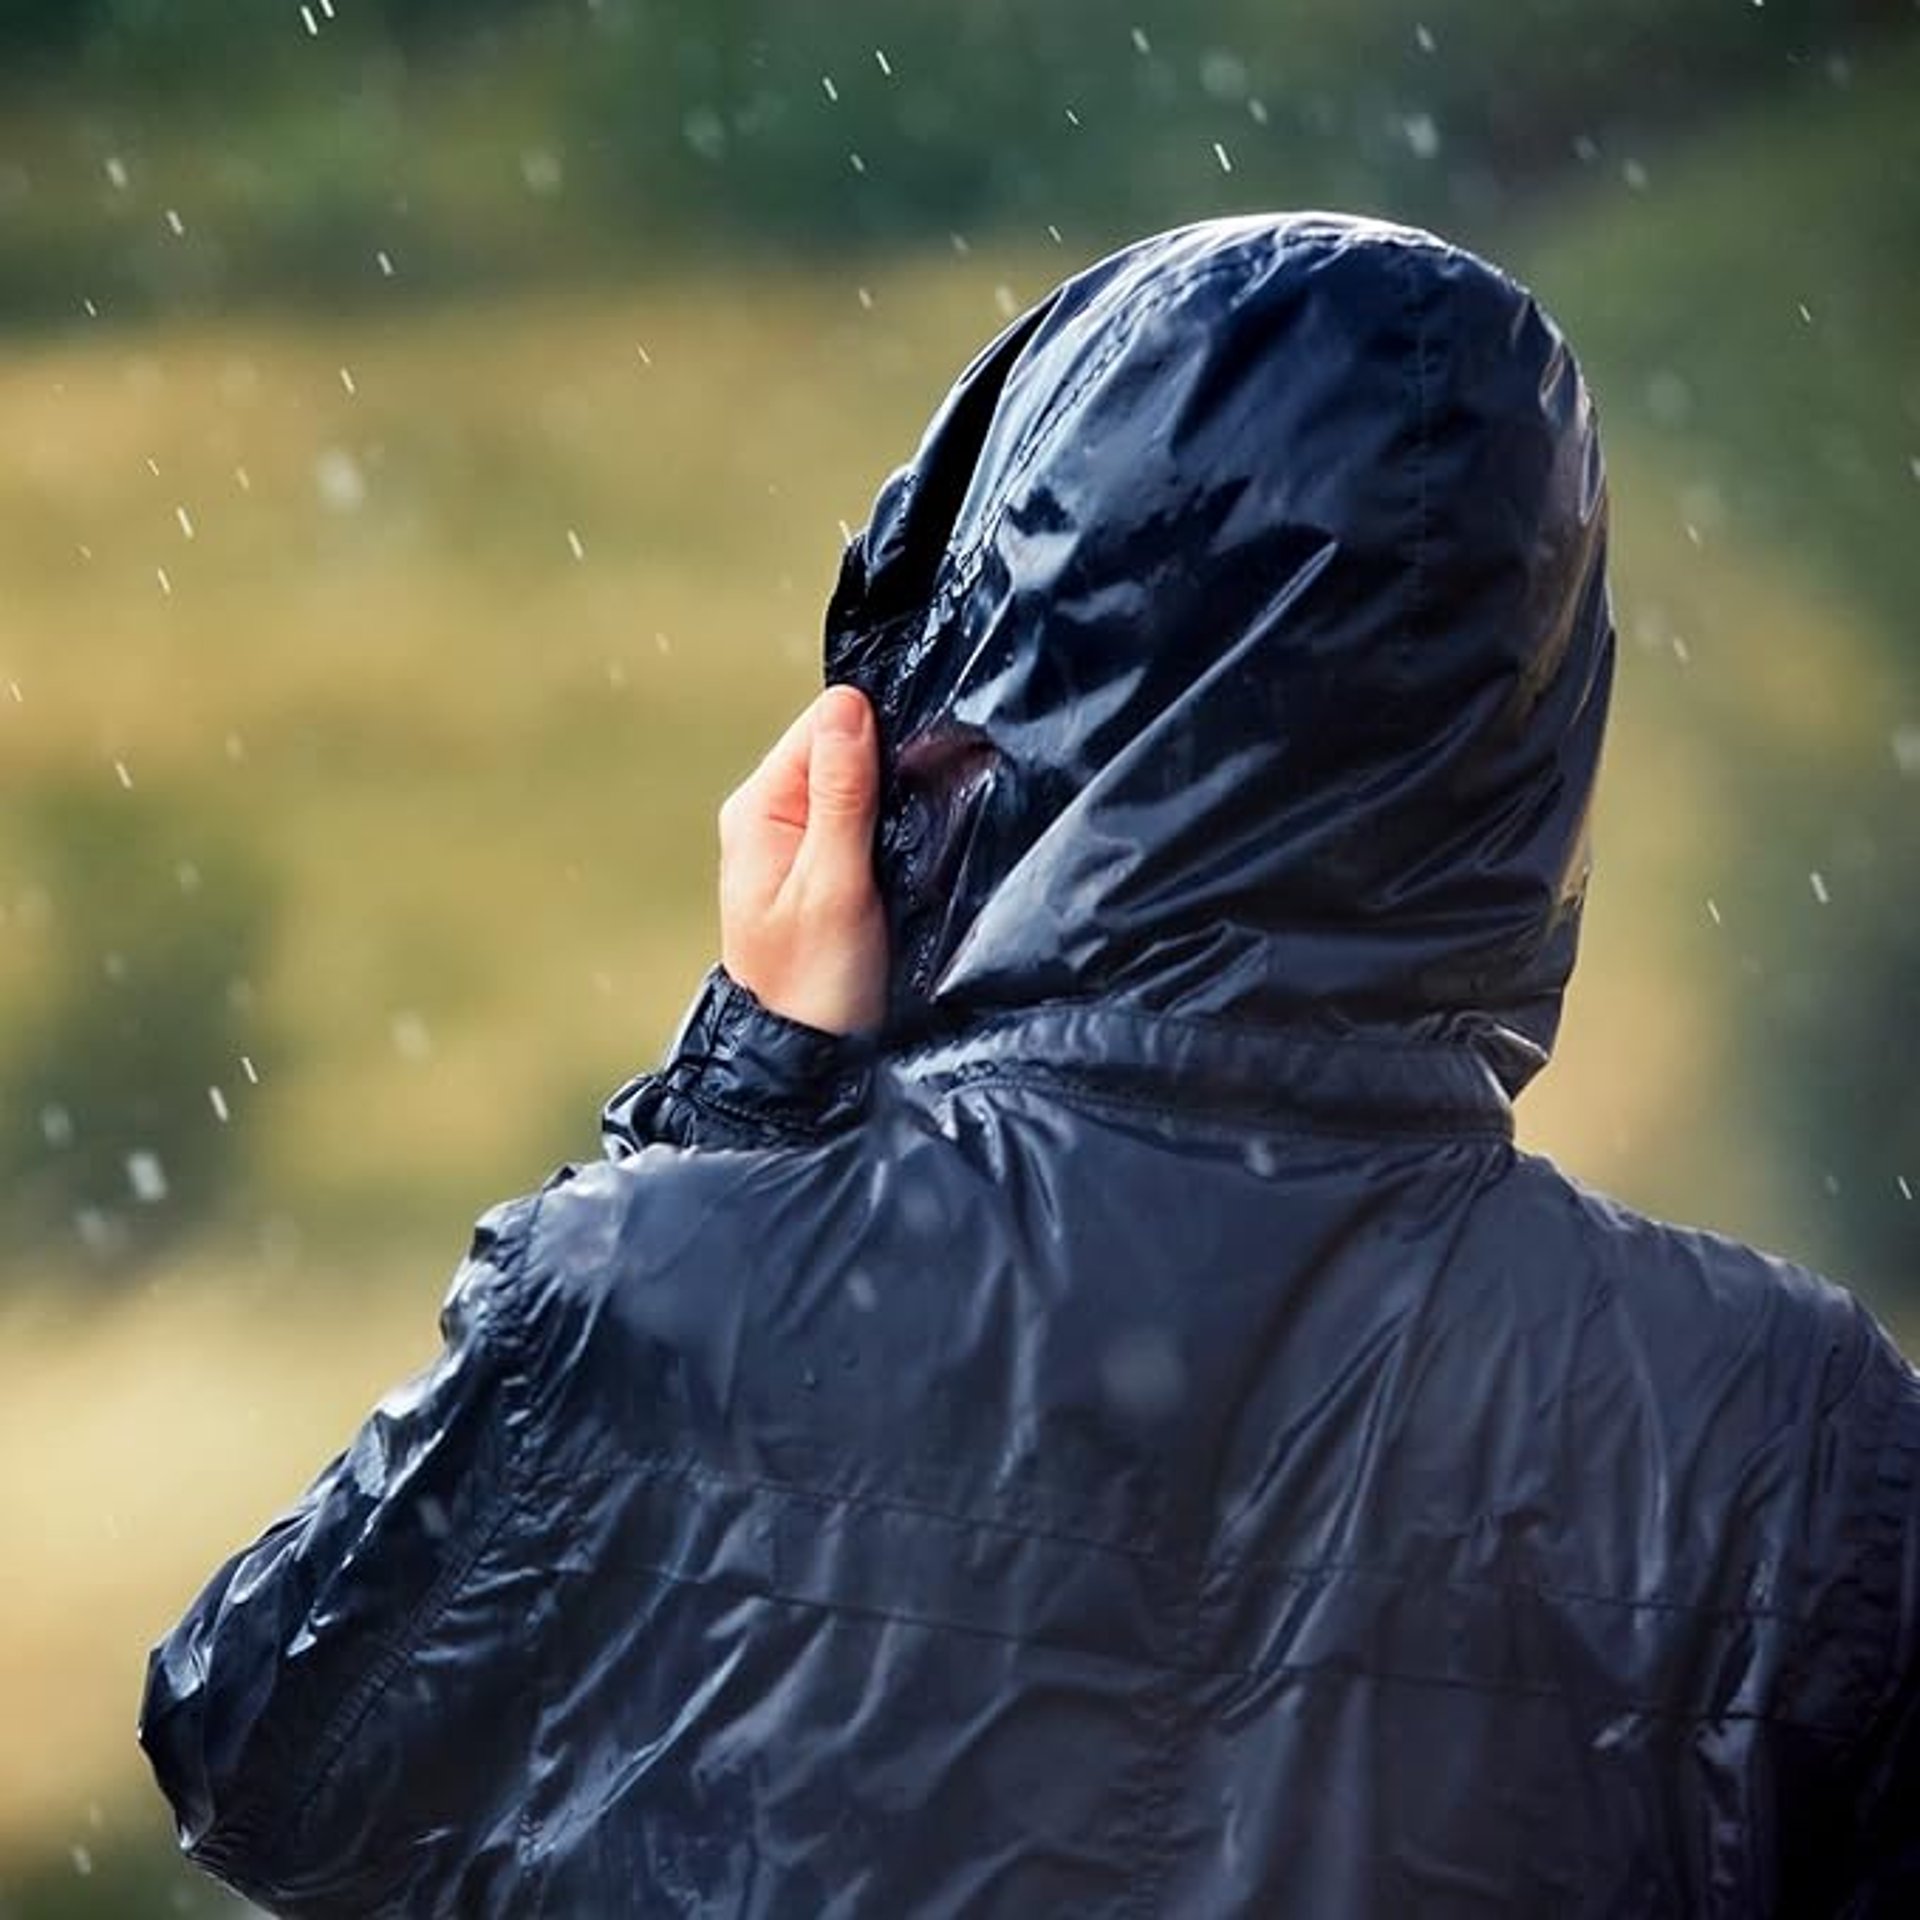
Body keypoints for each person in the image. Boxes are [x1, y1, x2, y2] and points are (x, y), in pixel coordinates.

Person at [140, 213, 1918, 1916]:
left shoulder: (669, 1299)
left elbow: (265, 1765)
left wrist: (743, 1089)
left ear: (965, 699)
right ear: (1533, 730)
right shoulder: (1792, 1433)